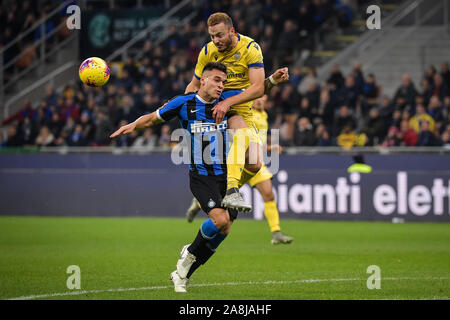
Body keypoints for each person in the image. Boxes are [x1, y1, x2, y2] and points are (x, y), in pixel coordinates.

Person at [110, 62, 244, 293]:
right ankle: (190, 252)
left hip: (227, 176)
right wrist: (132, 125)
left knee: (225, 230)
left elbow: (253, 99)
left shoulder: (225, 106)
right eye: (216, 80)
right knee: (220, 220)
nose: (221, 85)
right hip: (202, 176)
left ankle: (182, 273)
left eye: (223, 82)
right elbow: (153, 118)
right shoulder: (184, 103)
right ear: (203, 80)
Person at [185, 12, 289, 212]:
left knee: (255, 164)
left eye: (220, 35)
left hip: (240, 106)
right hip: (215, 107)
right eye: (212, 36)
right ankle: (232, 191)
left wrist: (273, 81)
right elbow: (194, 85)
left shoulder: (251, 48)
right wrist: (187, 109)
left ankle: (215, 194)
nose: (216, 41)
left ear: (232, 31)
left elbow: (258, 88)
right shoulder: (207, 51)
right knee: (240, 134)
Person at [186, 95, 294, 245]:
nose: (259, 101)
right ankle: (199, 203)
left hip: (257, 160)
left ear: (267, 100)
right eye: (257, 98)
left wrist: (269, 148)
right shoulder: (242, 112)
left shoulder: (264, 115)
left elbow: (258, 140)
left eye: (262, 99)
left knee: (269, 194)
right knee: (223, 192)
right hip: (238, 159)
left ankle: (276, 232)